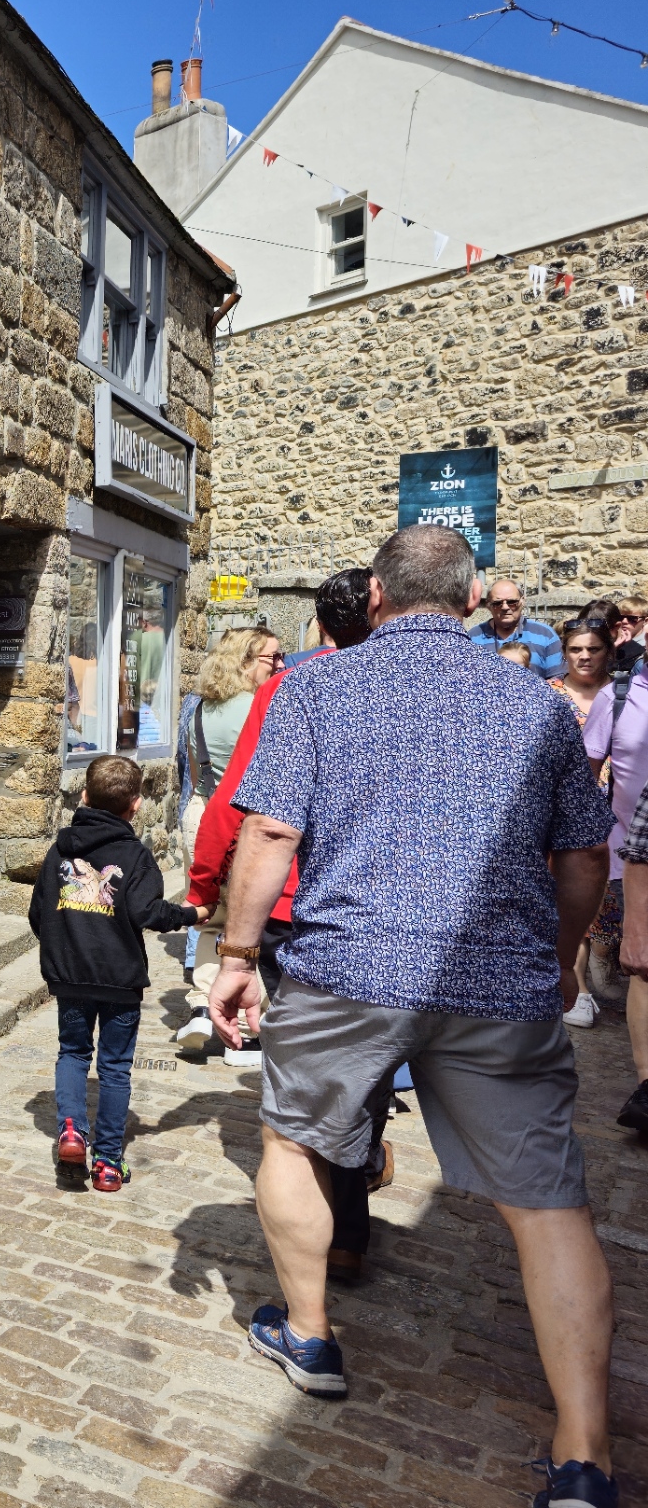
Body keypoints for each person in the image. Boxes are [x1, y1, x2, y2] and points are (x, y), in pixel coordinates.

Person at [210, 526, 616, 1508]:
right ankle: (583, 1453)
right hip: (498, 979)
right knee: (547, 1202)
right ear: (473, 601)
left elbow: (269, 829)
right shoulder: (540, 703)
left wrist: (233, 955)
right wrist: (562, 957)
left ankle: (309, 1332)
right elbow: (583, 858)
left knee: (297, 1141)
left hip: (349, 964)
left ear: (378, 598)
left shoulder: (318, 684)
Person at [186, 569, 391, 1277]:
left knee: (308, 1072)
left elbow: (239, 805)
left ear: (320, 625)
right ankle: (357, 1184)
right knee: (365, 1057)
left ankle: (336, 1237)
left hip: (292, 905)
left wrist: (204, 885)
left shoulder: (293, 688)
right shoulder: (421, 689)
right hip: (381, 906)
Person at [31, 754, 206, 1193]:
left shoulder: (60, 851)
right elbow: (148, 912)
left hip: (70, 976)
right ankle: (108, 1161)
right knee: (114, 1067)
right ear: (136, 805)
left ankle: (71, 1130)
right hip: (119, 979)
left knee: (72, 1053)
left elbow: (39, 913)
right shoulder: (135, 856)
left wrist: (61, 947)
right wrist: (193, 913)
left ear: (85, 796)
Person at [585, 635, 648, 1132]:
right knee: (643, 967)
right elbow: (586, 778)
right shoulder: (621, 694)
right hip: (630, 854)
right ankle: (647, 1086)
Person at [548, 621, 614, 1031]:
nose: (584, 656)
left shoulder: (620, 694)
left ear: (607, 650)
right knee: (572, 890)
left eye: (592, 648)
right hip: (570, 814)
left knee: (607, 900)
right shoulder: (548, 696)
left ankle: (606, 966)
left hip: (621, 812)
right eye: (575, 649)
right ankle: (579, 985)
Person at [177, 628, 281, 845]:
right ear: (245, 662)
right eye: (273, 657)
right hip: (242, 823)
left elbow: (195, 777)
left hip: (200, 816)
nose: (279, 664)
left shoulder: (198, 708)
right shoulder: (260, 708)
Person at [469, 577, 563, 677]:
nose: (505, 607)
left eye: (511, 602)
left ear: (522, 601)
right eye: (497, 603)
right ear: (488, 605)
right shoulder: (473, 638)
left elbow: (557, 680)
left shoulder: (545, 635)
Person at [609, 594, 647, 674]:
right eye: (620, 617)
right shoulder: (609, 642)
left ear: (645, 621)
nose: (624, 621)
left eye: (632, 619)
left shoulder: (646, 648)